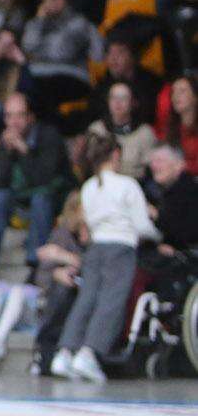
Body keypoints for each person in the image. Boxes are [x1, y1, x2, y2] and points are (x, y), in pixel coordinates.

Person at [49, 133, 159, 384]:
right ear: (116, 155)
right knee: (111, 301)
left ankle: (65, 351)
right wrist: (158, 233)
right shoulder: (127, 185)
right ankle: (90, 352)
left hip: (96, 248)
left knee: (87, 299)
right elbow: (141, 227)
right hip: (120, 248)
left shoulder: (89, 187)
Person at [0, 93, 73, 288]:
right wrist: (7, 152)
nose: (13, 121)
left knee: (41, 198)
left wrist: (24, 151)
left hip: (53, 198)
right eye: (8, 116)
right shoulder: (6, 139)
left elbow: (44, 180)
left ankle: (35, 264)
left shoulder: (49, 136)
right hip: (21, 199)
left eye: (19, 115)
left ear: (30, 117)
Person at [0, 193, 85, 367]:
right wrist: (56, 267)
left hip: (49, 305)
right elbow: (42, 275)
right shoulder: (61, 235)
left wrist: (62, 257)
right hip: (41, 295)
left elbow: (89, 266)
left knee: (17, 292)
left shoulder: (95, 239)